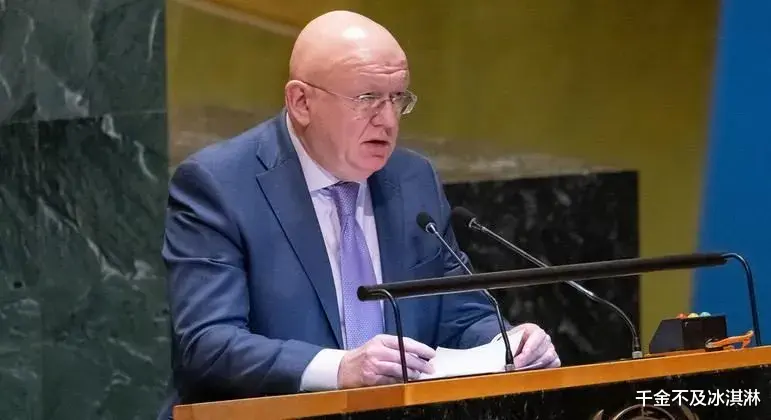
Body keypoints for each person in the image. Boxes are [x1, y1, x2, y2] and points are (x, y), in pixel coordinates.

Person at [156, 10, 559, 419]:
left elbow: (460, 313)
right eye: (367, 99)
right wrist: (340, 369)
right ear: (301, 102)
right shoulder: (220, 185)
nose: (387, 120)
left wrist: (508, 343)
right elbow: (208, 344)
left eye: (397, 98)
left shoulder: (413, 179)